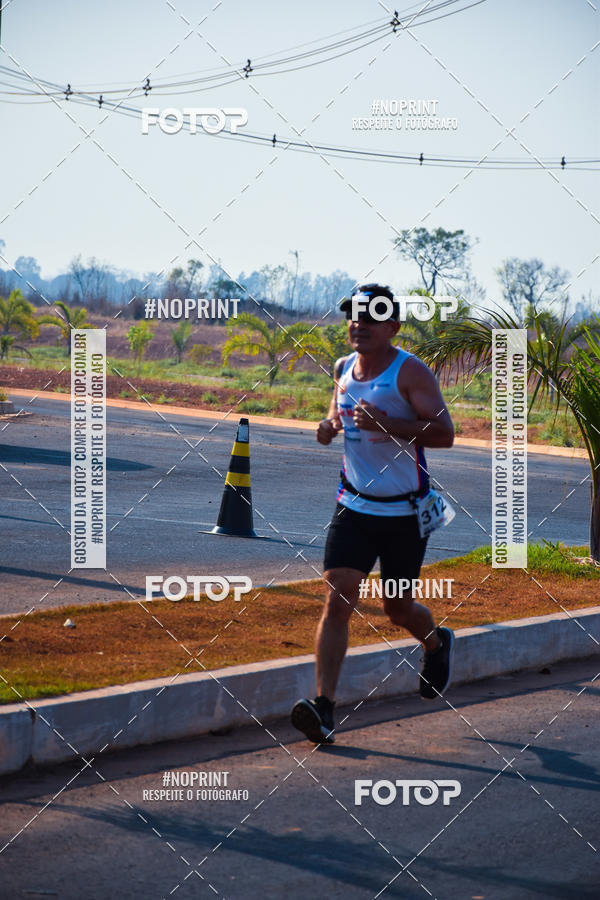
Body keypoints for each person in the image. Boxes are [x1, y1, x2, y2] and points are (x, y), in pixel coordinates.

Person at [291, 284, 455, 744]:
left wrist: (388, 424)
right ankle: (324, 708)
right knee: (338, 596)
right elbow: (336, 419)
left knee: (397, 608)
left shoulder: (410, 372)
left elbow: (444, 434)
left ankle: (436, 643)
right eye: (354, 316)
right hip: (354, 505)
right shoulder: (344, 368)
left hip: (404, 514)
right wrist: (326, 429)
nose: (358, 324)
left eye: (371, 317)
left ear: (393, 327)